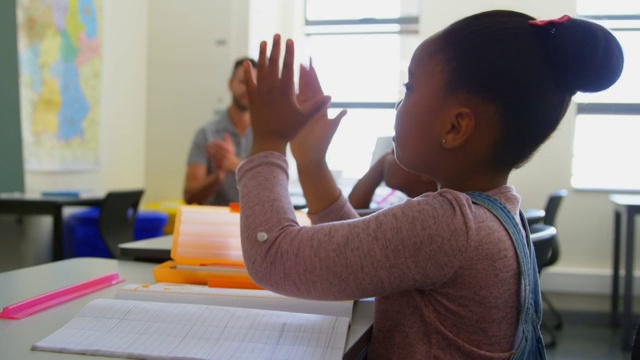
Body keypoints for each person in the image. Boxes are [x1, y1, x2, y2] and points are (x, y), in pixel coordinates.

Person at [236, 10, 623, 359]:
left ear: (455, 127)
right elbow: (360, 250)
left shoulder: (450, 226)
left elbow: (276, 258)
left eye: (409, 88)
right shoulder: (498, 214)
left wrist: (268, 141)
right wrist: (312, 162)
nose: (399, 104)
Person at [183, 57, 257, 205]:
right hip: (214, 223)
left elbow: (273, 189)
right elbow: (189, 196)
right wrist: (217, 177)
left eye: (253, 84)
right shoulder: (206, 133)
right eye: (243, 82)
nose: (247, 89)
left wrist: (233, 163)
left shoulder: (269, 136)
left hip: (256, 225)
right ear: (230, 84)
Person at [348, 149, 438, 213]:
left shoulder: (416, 219)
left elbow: (346, 221)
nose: (386, 158)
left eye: (394, 152)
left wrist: (377, 168)